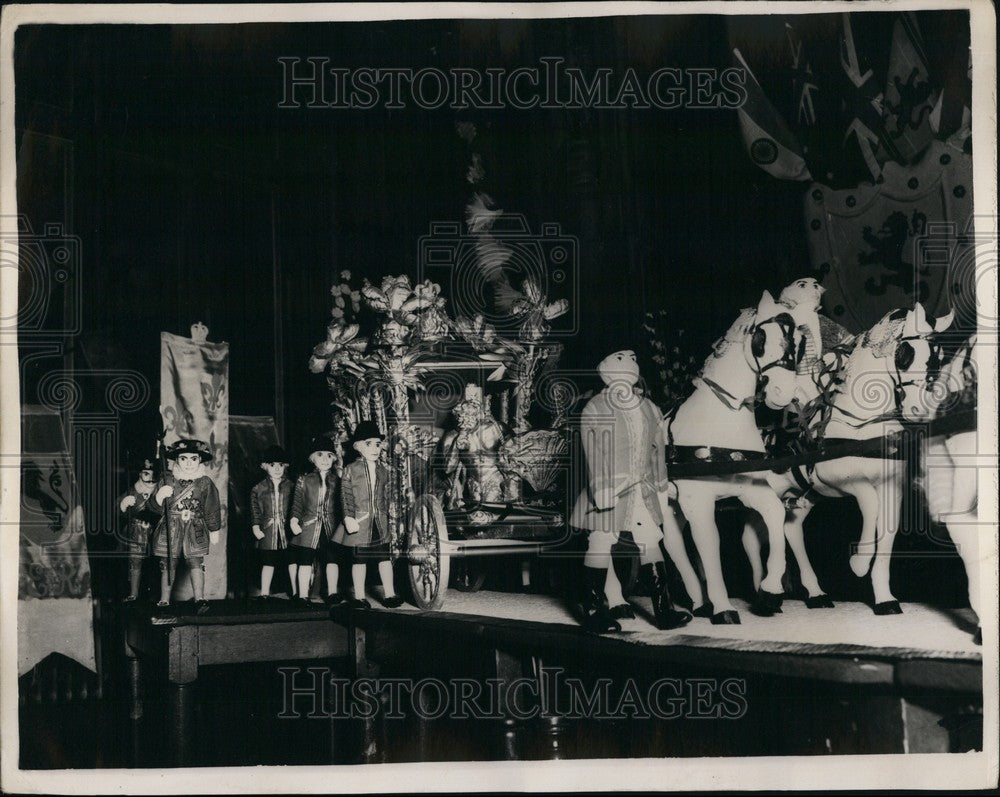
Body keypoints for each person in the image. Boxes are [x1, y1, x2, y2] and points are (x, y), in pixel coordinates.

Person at [569, 349, 692, 633]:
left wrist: (661, 485)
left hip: (644, 489)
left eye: (632, 366)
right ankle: (592, 611)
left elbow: (657, 451)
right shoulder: (596, 407)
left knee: (650, 541)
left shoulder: (650, 408)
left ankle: (664, 610)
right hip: (610, 488)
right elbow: (593, 451)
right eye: (621, 367)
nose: (629, 367)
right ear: (608, 375)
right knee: (600, 541)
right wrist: (601, 487)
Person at [331, 421, 403, 609]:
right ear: (357, 446)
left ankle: (390, 594)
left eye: (378, 444)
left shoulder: (384, 470)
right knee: (359, 560)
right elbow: (345, 495)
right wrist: (348, 517)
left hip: (380, 521)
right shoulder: (350, 469)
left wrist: (391, 511)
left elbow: (388, 494)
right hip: (360, 522)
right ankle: (360, 596)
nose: (374, 448)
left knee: (384, 559)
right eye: (368, 444)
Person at [148, 438, 222, 614]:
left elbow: (212, 506)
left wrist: (214, 528)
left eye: (193, 458)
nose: (189, 463)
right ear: (176, 460)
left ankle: (200, 598)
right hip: (171, 526)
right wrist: (159, 497)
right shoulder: (167, 480)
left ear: (200, 460)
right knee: (167, 562)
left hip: (194, 527)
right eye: (183, 458)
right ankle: (164, 600)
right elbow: (152, 509)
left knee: (196, 561)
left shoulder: (205, 483)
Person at [290, 436, 342, 604]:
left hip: (331, 527)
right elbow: (297, 504)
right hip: (308, 527)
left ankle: (333, 592)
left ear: (334, 458)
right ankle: (302, 595)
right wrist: (293, 520)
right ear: (313, 458)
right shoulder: (304, 480)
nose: (325, 459)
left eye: (329, 455)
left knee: (332, 559)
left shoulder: (338, 481)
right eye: (320, 455)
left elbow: (343, 505)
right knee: (305, 560)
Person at [250, 444, 293, 599]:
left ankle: (296, 592)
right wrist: (256, 527)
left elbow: (296, 507)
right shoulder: (258, 488)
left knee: (291, 560)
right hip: (268, 530)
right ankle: (265, 593)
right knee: (268, 561)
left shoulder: (291, 486)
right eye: (272, 465)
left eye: (281, 465)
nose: (277, 468)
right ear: (264, 466)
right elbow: (255, 510)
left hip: (287, 530)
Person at [118, 458, 157, 602]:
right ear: (140, 475)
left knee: (155, 565)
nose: (150, 478)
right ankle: (133, 594)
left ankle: (155, 595)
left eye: (154, 474)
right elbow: (116, 511)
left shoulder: (161, 492)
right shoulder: (132, 491)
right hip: (136, 532)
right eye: (146, 474)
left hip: (156, 532)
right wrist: (123, 505)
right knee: (135, 563)